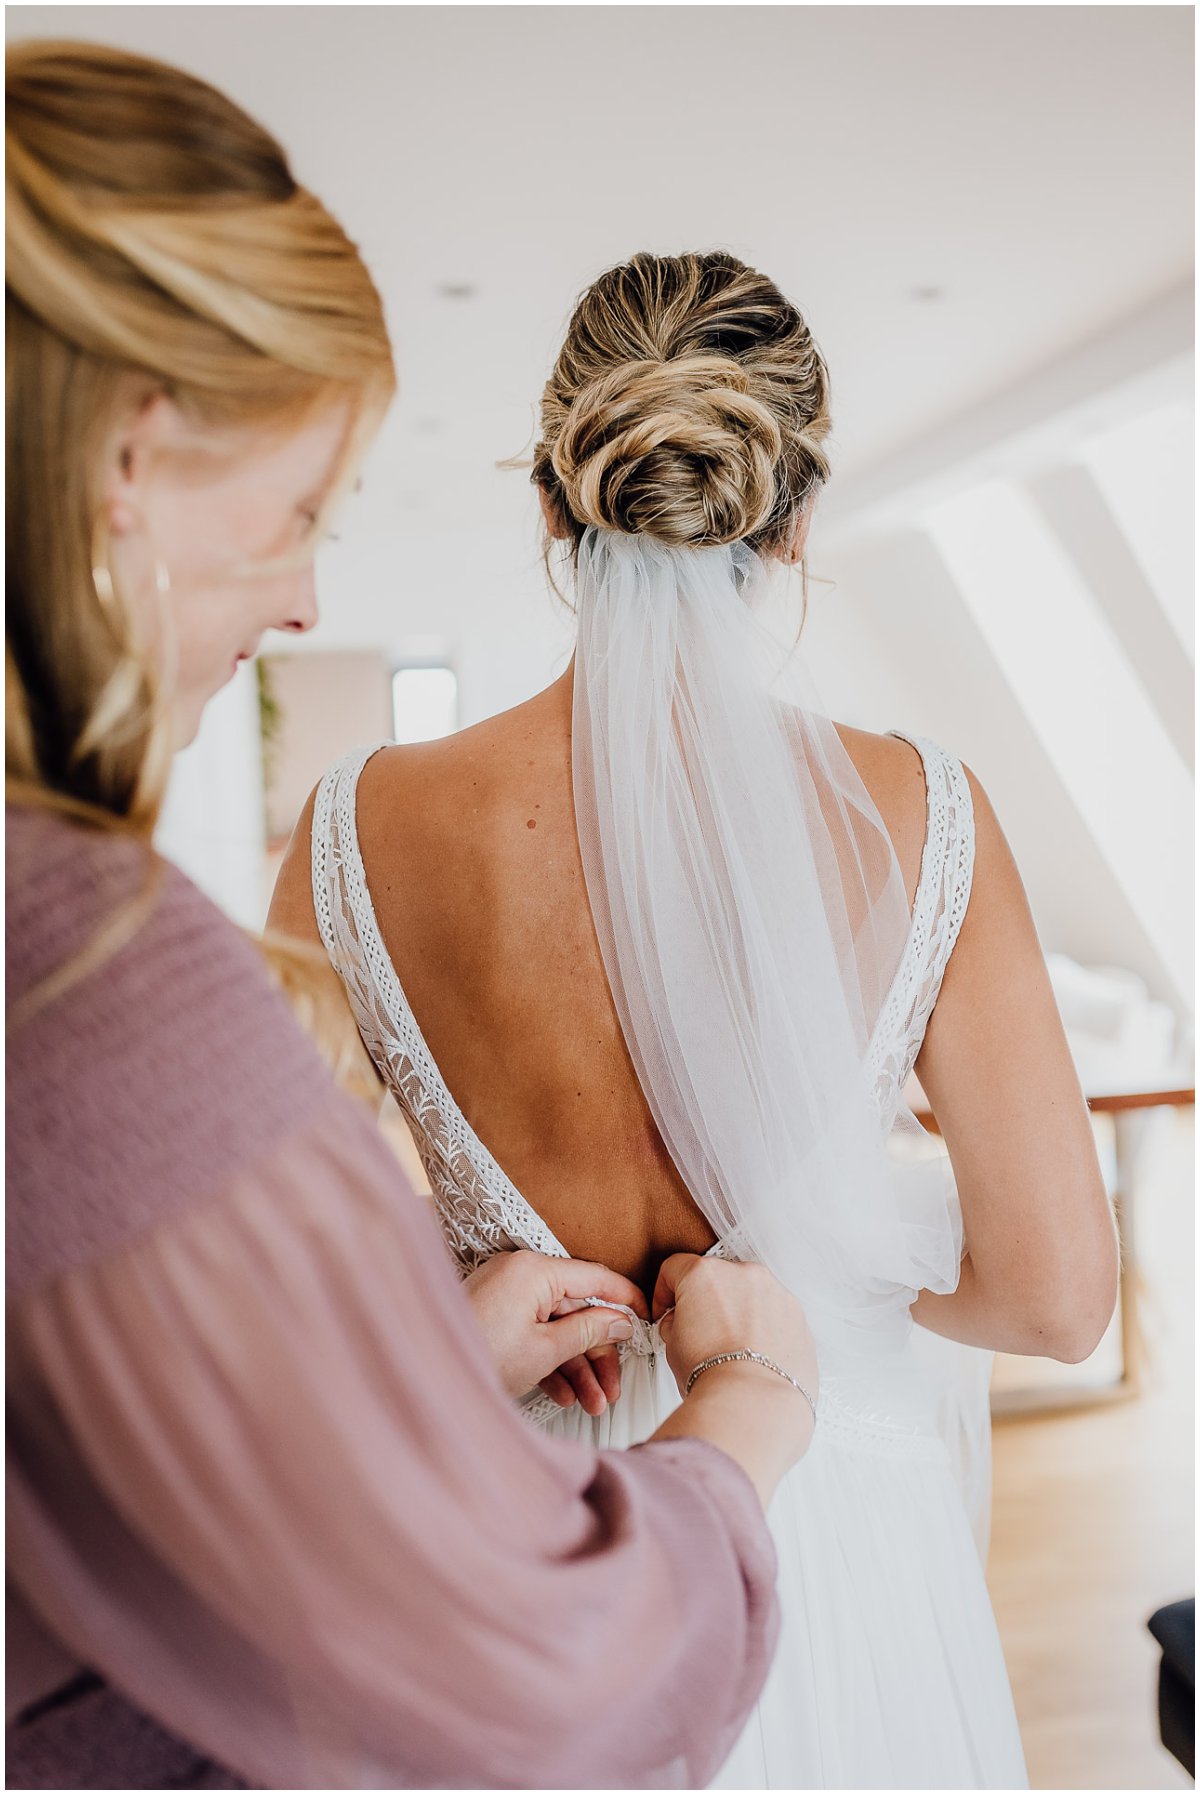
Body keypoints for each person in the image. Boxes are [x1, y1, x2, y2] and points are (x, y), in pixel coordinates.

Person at [5, 47, 822, 1791]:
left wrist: (418, 1371)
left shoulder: (294, 854)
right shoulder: (87, 974)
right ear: (134, 458)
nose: (305, 596)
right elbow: (544, 1691)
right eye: (299, 512)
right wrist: (754, 1414)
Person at [273, 250, 1120, 1787]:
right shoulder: (924, 814)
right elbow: (1058, 1302)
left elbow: (274, 1316)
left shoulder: (353, 829)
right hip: (816, 1532)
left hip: (520, 1543)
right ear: (793, 520)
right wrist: (830, 1297)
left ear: (552, 501)